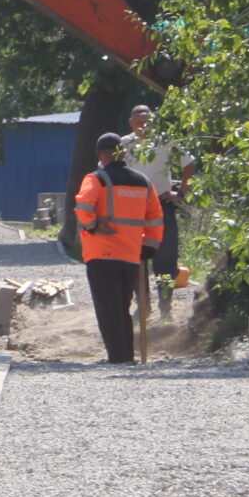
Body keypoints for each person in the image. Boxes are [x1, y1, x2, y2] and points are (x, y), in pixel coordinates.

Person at [74, 132, 163, 364]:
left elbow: (83, 206)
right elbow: (155, 218)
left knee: (108, 309)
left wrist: (92, 225)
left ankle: (118, 357)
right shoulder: (143, 182)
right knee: (122, 306)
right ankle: (127, 355)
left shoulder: (96, 179)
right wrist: (149, 247)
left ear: (100, 155)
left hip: (102, 254)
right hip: (131, 255)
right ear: (123, 153)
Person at [123, 104, 189, 289]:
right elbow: (106, 169)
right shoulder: (124, 144)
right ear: (131, 123)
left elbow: (189, 163)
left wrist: (181, 191)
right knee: (135, 255)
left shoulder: (165, 142)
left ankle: (165, 299)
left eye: (146, 121)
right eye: (138, 121)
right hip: (133, 209)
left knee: (165, 256)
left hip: (162, 204)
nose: (142, 125)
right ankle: (143, 302)